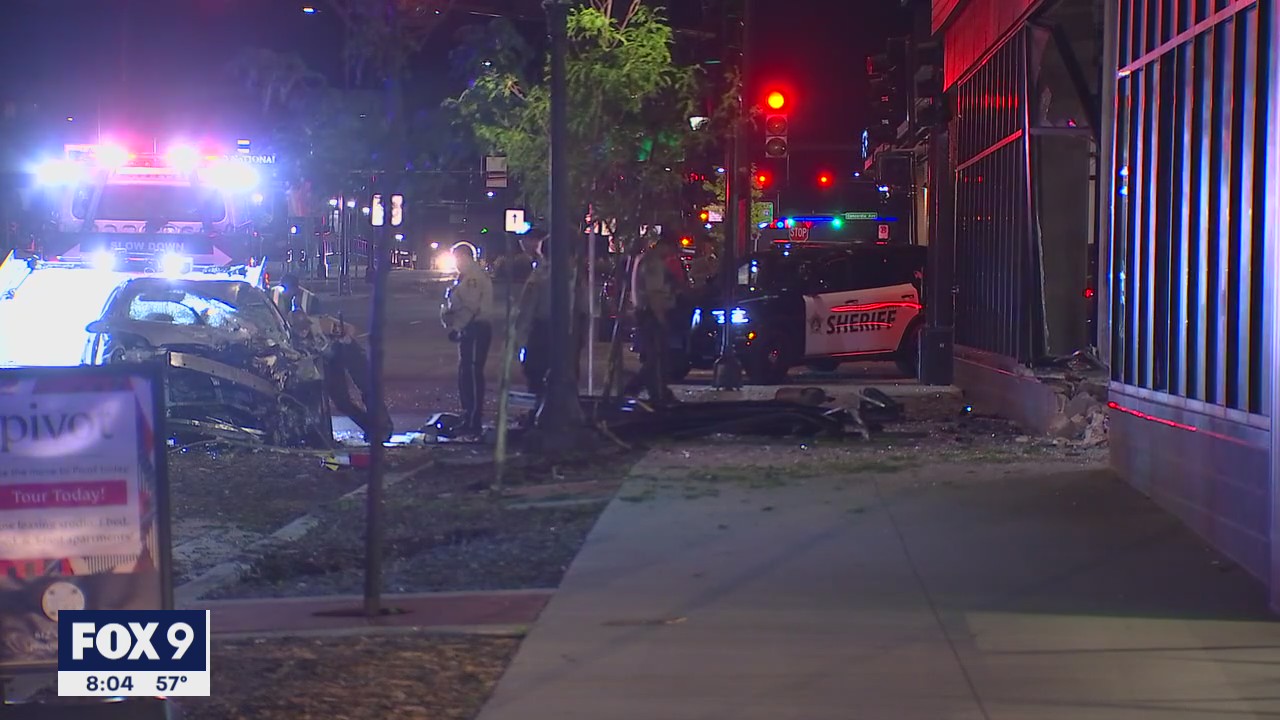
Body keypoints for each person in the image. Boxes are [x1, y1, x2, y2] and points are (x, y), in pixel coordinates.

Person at [278, 274, 393, 443]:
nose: (303, 333)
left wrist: (343, 338)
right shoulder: (294, 337)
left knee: (367, 390)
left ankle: (384, 428)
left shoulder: (321, 323)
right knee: (341, 401)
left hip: (348, 352)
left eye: (304, 329)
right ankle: (369, 427)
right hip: (330, 361)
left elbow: (350, 329)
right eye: (299, 331)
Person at [440, 243, 494, 437]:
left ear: (463, 257)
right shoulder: (465, 277)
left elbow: (471, 307)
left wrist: (458, 327)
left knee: (471, 374)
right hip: (469, 329)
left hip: (475, 329)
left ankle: (473, 419)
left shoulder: (473, 278)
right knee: (465, 374)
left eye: (456, 259)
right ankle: (468, 416)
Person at [623, 233, 681, 404]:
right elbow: (654, 293)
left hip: (645, 313)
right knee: (657, 356)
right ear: (664, 246)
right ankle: (644, 390)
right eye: (671, 250)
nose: (671, 254)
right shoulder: (653, 263)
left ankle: (656, 390)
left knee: (655, 357)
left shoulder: (644, 259)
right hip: (651, 314)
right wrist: (660, 316)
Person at [515, 231, 552, 397]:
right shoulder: (569, 273)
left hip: (542, 330)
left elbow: (528, 308)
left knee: (534, 371)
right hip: (562, 331)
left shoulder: (541, 274)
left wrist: (519, 337)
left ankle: (540, 412)